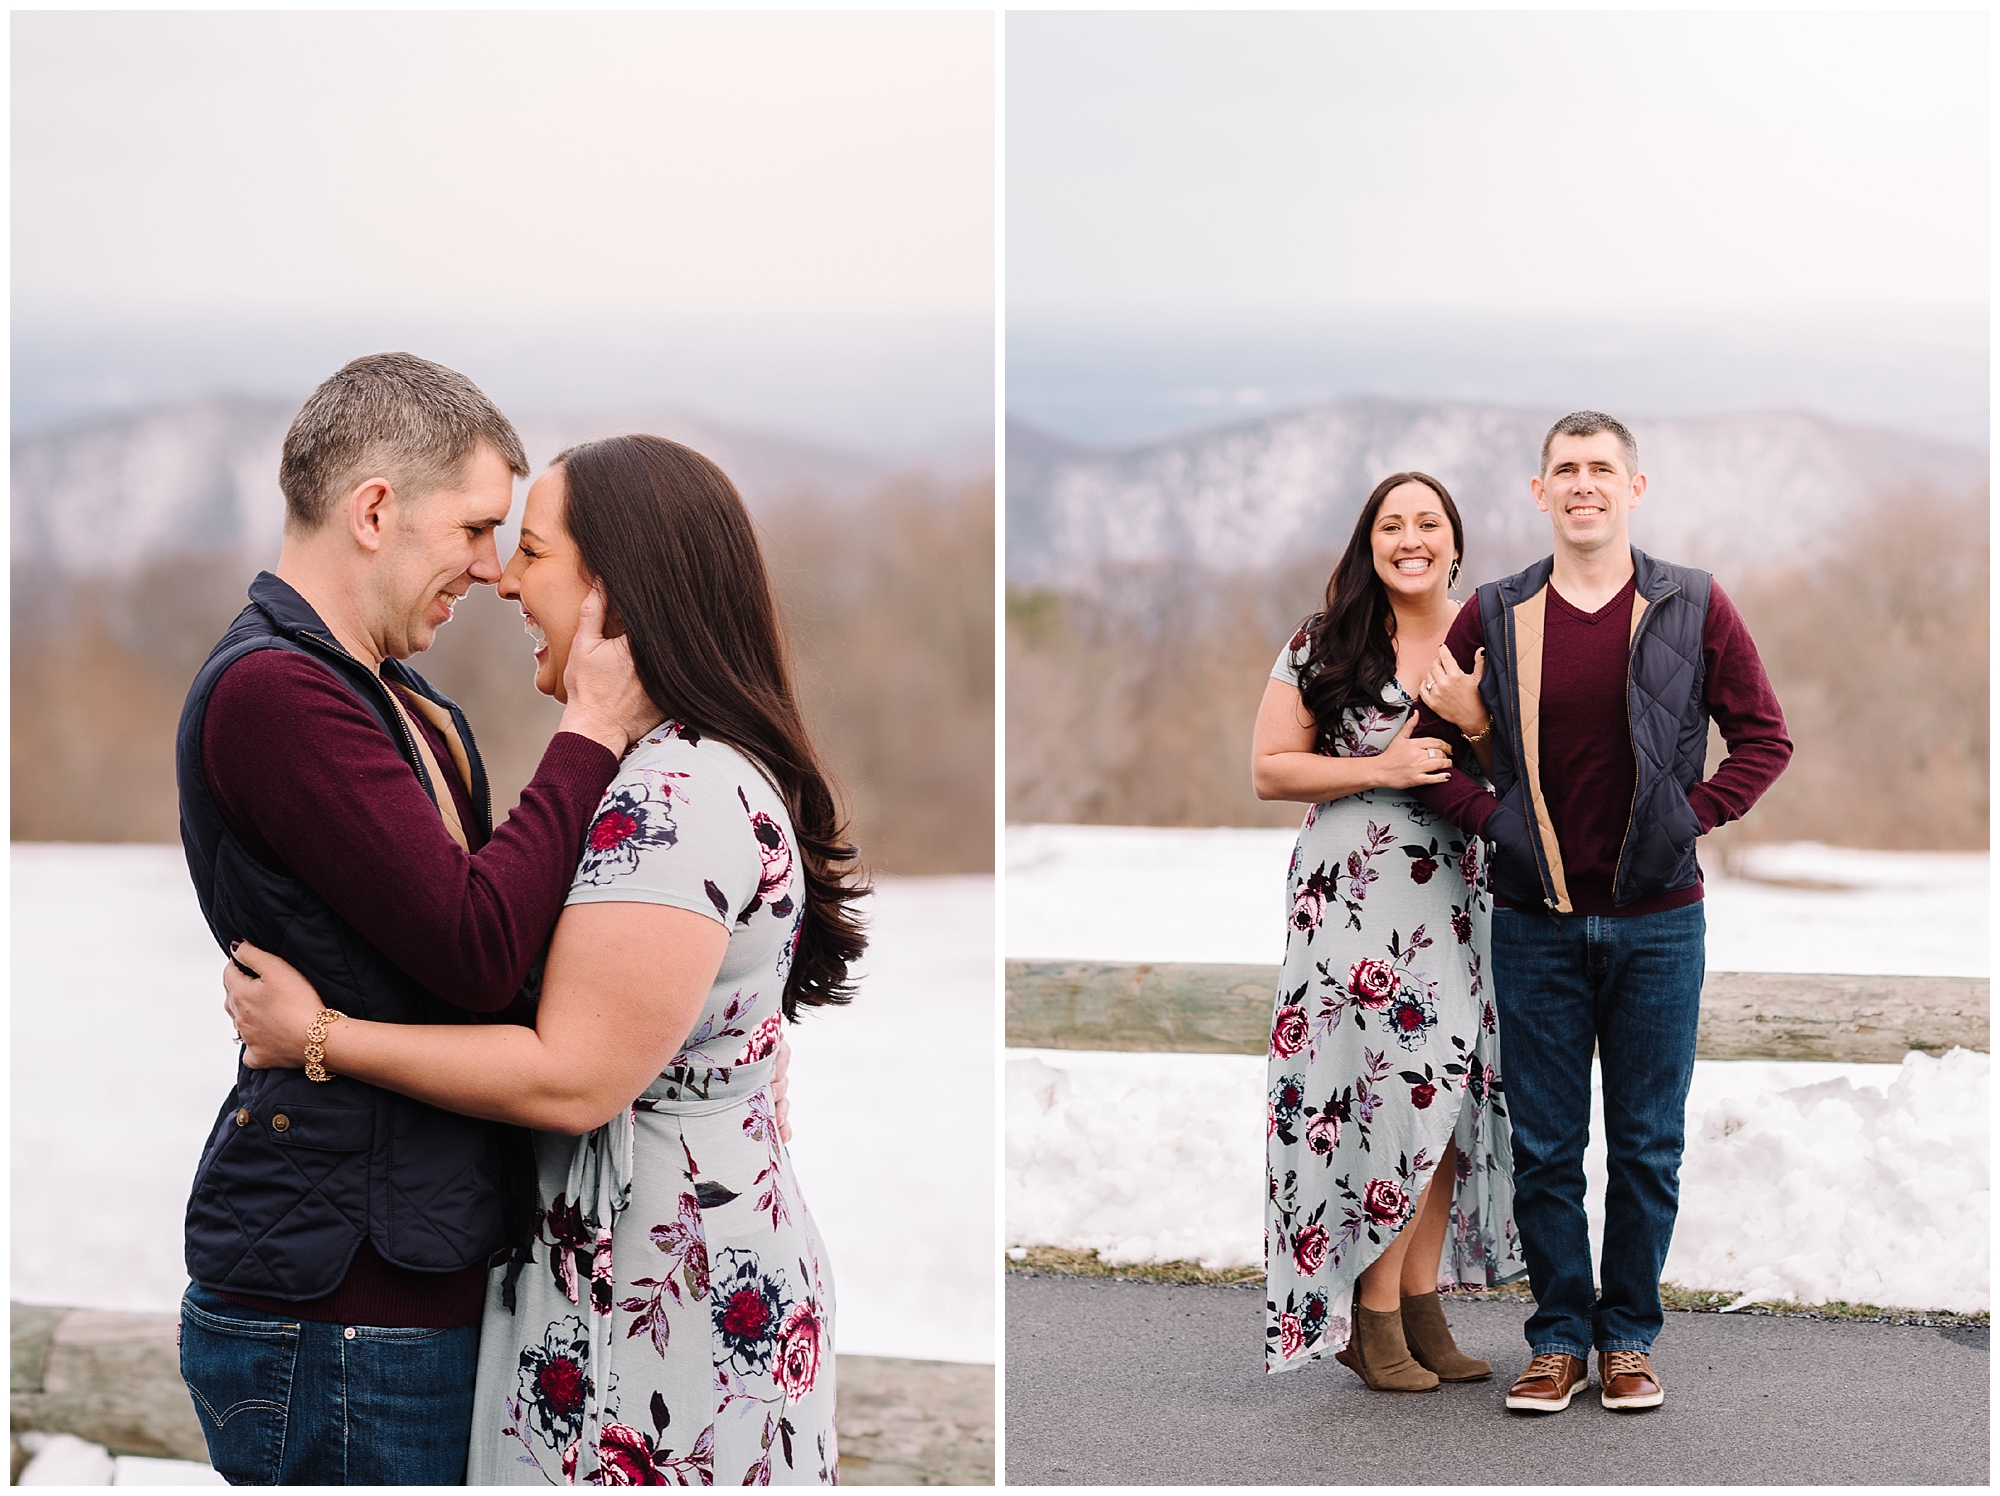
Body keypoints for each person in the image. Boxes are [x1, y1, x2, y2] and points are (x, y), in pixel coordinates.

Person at [226, 432, 867, 1484]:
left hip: (662, 1293)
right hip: (666, 1259)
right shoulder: (674, 769)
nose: (501, 578)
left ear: (615, 592)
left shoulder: (676, 791)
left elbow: (571, 1075)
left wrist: (320, 1038)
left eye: (530, 551)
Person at [174, 353, 661, 1484]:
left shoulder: (400, 696)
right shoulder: (274, 695)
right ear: (375, 510)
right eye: (476, 528)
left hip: (407, 1279)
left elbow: (510, 929)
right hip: (340, 1300)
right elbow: (478, 945)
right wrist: (588, 730)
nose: (491, 572)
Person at [1410, 411, 1791, 1415]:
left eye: (1600, 468)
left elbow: (1762, 737)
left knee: (1644, 1144)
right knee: (1543, 1147)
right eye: (1563, 469)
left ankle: (1625, 1336)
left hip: (1659, 920)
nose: (1582, 484)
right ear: (1538, 492)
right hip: (1531, 918)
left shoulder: (1691, 603)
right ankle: (1553, 1340)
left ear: (1634, 487)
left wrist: (1689, 815)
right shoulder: (1493, 610)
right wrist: (1491, 820)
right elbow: (1424, 750)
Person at [1252, 471, 1525, 1390]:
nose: (1410, 538)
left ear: (1456, 541)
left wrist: (1476, 718)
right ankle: (1370, 1318)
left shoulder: (1486, 640)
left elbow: (1524, 766)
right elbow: (1270, 769)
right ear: (1370, 542)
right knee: (1386, 1093)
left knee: (1447, 1094)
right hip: (1354, 894)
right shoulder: (1326, 643)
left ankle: (1420, 1303)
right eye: (1391, 524)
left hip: (1461, 885)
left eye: (1428, 523)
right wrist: (1380, 765)